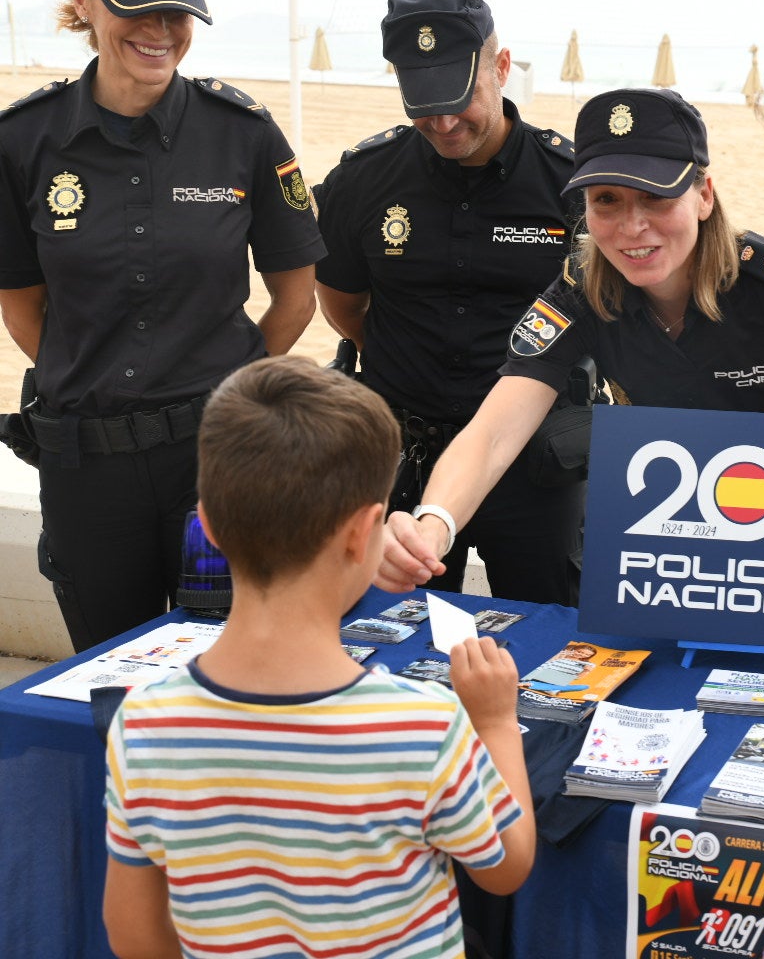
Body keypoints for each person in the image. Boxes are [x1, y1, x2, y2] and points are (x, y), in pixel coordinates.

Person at [102, 356, 534, 958]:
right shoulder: (426, 724)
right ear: (365, 534)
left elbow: (134, 933)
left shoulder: (144, 720)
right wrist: (493, 723)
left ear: (208, 527)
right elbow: (505, 867)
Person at [377, 87, 764, 590]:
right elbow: (497, 428)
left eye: (655, 196)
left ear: (704, 195)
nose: (632, 227)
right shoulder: (579, 286)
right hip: (655, 535)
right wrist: (432, 527)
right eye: (607, 200)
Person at [0, 0, 323, 652]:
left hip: (215, 464)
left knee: (231, 669)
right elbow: (22, 308)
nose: (161, 28)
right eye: (136, 4)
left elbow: (297, 296)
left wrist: (231, 394)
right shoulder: (22, 142)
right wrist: (94, 385)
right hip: (88, 471)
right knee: (112, 676)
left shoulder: (243, 133)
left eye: (178, 10)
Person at [315, 0, 586, 607]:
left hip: (538, 464)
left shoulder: (571, 184)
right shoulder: (364, 181)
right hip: (399, 454)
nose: (440, 121)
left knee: (551, 636)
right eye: (421, 101)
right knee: (386, 629)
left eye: (457, 96)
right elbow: (343, 306)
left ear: (502, 65)